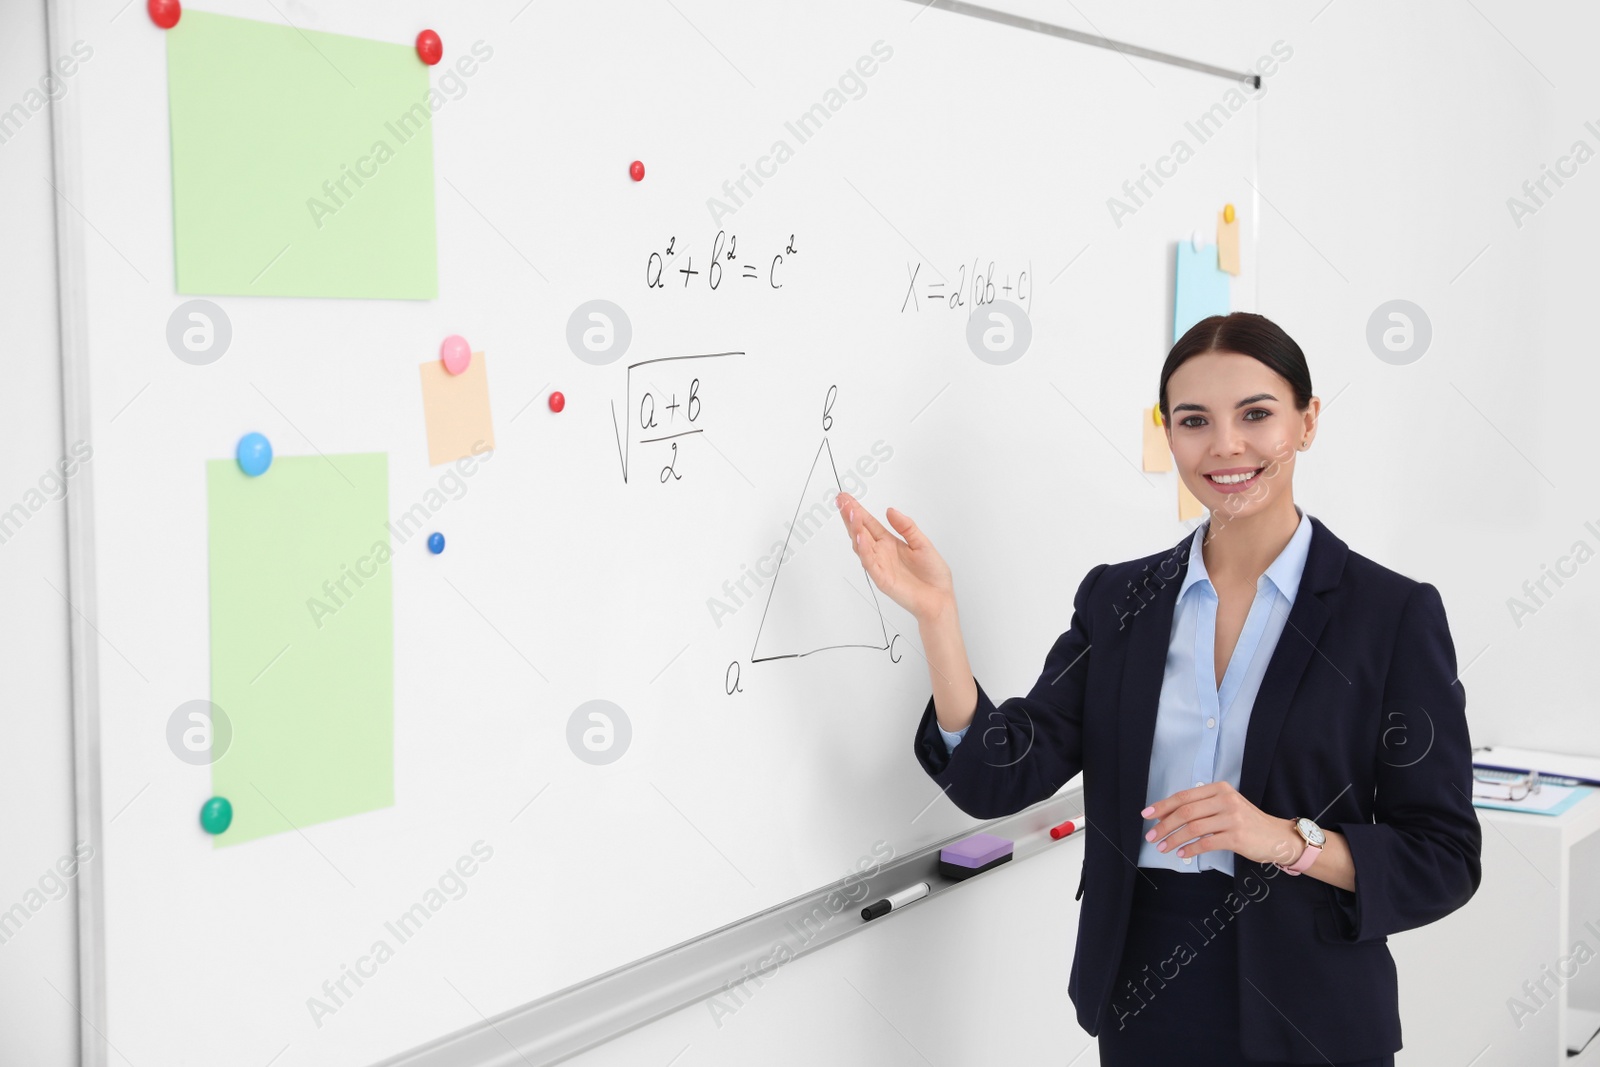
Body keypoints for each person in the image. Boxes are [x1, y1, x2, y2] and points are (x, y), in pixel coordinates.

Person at [836, 312, 1481, 1066]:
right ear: (1168, 434)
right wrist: (939, 620)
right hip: (1146, 991)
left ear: (1306, 422)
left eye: (1256, 415)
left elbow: (1443, 856)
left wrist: (1283, 838)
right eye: (1195, 421)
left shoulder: (1390, 613)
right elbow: (997, 774)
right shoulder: (1121, 601)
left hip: (1315, 1002)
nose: (1227, 446)